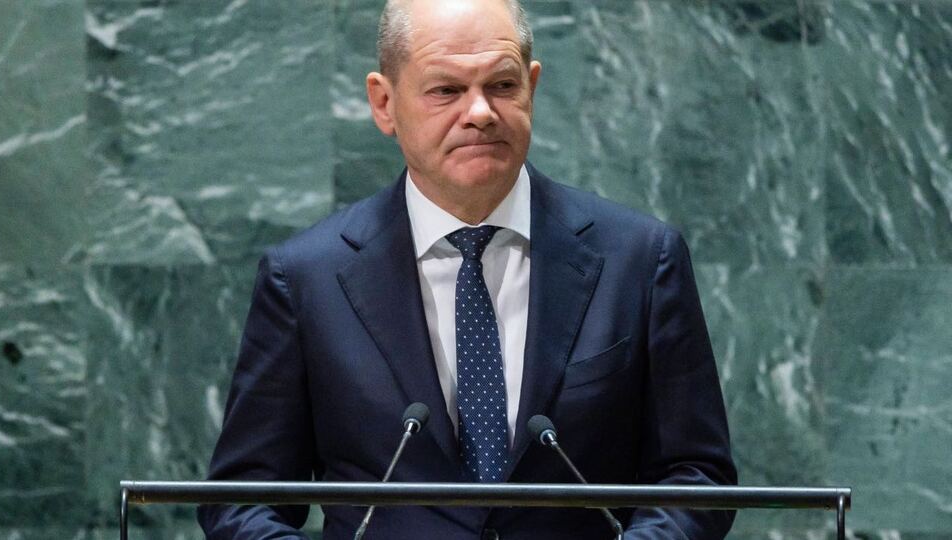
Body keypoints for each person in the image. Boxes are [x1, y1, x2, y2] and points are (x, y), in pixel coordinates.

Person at [198, 0, 737, 538]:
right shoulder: (306, 279)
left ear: (532, 88)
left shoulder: (639, 260)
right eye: (446, 90)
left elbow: (695, 476)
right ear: (384, 103)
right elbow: (243, 499)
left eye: (502, 86)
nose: (480, 112)